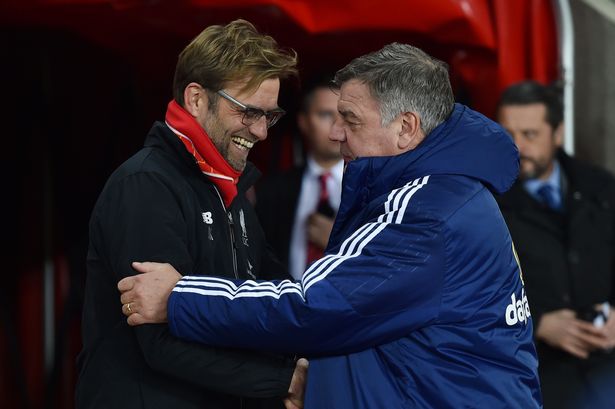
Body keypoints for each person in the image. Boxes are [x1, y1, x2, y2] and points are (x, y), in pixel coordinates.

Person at [118, 43, 543, 408]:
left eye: (350, 119)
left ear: (406, 128)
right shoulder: (446, 192)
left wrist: (178, 297)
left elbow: (313, 306)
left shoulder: (427, 212)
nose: (334, 133)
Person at [76, 19, 308, 409]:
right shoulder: (146, 184)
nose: (262, 131)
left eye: (270, 115)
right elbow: (160, 342)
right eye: (249, 112)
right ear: (197, 99)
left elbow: (272, 298)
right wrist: (284, 380)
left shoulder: (228, 191)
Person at [495, 81, 615, 409]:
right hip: (534, 375)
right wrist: (538, 324)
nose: (516, 146)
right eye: (507, 135)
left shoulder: (602, 188)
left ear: (558, 133)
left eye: (530, 135)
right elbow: (466, 293)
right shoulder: (484, 203)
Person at [255, 75, 343, 279]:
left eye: (344, 115)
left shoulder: (371, 188)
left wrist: (338, 241)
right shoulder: (272, 189)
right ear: (303, 122)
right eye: (325, 115)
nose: (337, 125)